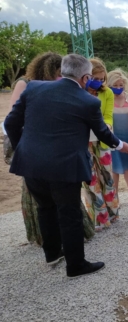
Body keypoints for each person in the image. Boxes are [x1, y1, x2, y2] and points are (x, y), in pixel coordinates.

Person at [4, 53, 128, 278]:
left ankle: (52, 254)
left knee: (46, 209)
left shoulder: (33, 88)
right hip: (64, 168)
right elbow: (103, 132)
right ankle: (76, 265)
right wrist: (121, 145)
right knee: (69, 213)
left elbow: (10, 123)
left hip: (31, 166)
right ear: (84, 78)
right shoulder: (88, 101)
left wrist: (22, 148)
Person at [7, 52, 95, 245]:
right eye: (59, 74)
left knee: (54, 207)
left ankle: (58, 249)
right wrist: (21, 148)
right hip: (43, 159)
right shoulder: (28, 85)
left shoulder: (45, 88)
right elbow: (13, 121)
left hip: (41, 158)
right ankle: (67, 257)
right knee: (54, 208)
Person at [81, 58, 119, 231]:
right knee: (91, 179)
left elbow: (108, 115)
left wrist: (108, 125)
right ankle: (99, 218)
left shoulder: (108, 93)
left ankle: (112, 212)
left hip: (103, 139)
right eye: (95, 79)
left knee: (107, 177)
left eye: (102, 79)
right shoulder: (78, 93)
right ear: (85, 76)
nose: (98, 82)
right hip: (83, 142)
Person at [107, 69, 128, 205]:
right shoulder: (106, 99)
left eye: (121, 85)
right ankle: (115, 199)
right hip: (112, 139)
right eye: (115, 85)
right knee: (114, 169)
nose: (118, 88)